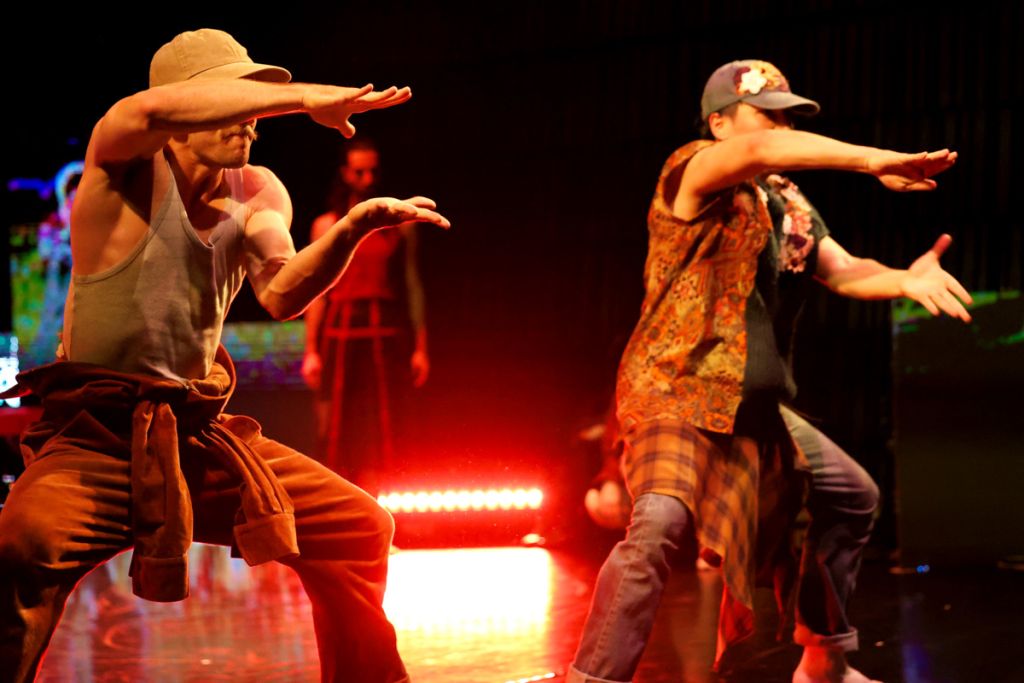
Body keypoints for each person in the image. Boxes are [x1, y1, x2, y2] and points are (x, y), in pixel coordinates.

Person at [0, 28, 448, 683]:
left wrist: (353, 228)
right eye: (234, 101)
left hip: (194, 436)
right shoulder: (122, 167)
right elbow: (150, 111)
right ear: (190, 107)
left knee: (358, 526)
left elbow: (282, 290)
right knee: (20, 547)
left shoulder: (256, 189)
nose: (251, 120)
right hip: (94, 441)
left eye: (255, 105)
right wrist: (306, 99)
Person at [568, 59, 971, 683]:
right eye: (769, 115)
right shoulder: (693, 169)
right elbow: (758, 150)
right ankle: (593, 677)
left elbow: (841, 270)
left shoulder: (786, 200)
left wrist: (903, 279)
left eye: (788, 118)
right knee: (660, 522)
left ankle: (824, 662)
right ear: (718, 123)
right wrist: (874, 160)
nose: (781, 129)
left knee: (851, 495)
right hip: (678, 391)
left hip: (753, 408)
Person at [302, 138, 429, 495]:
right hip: (340, 329)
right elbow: (317, 293)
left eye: (373, 171)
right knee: (335, 423)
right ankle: (336, 500)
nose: (368, 179)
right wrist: (310, 350)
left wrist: (421, 347)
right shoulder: (326, 225)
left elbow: (413, 284)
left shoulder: (400, 226)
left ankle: (388, 504)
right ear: (345, 173)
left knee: (386, 421)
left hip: (383, 329)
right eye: (359, 172)